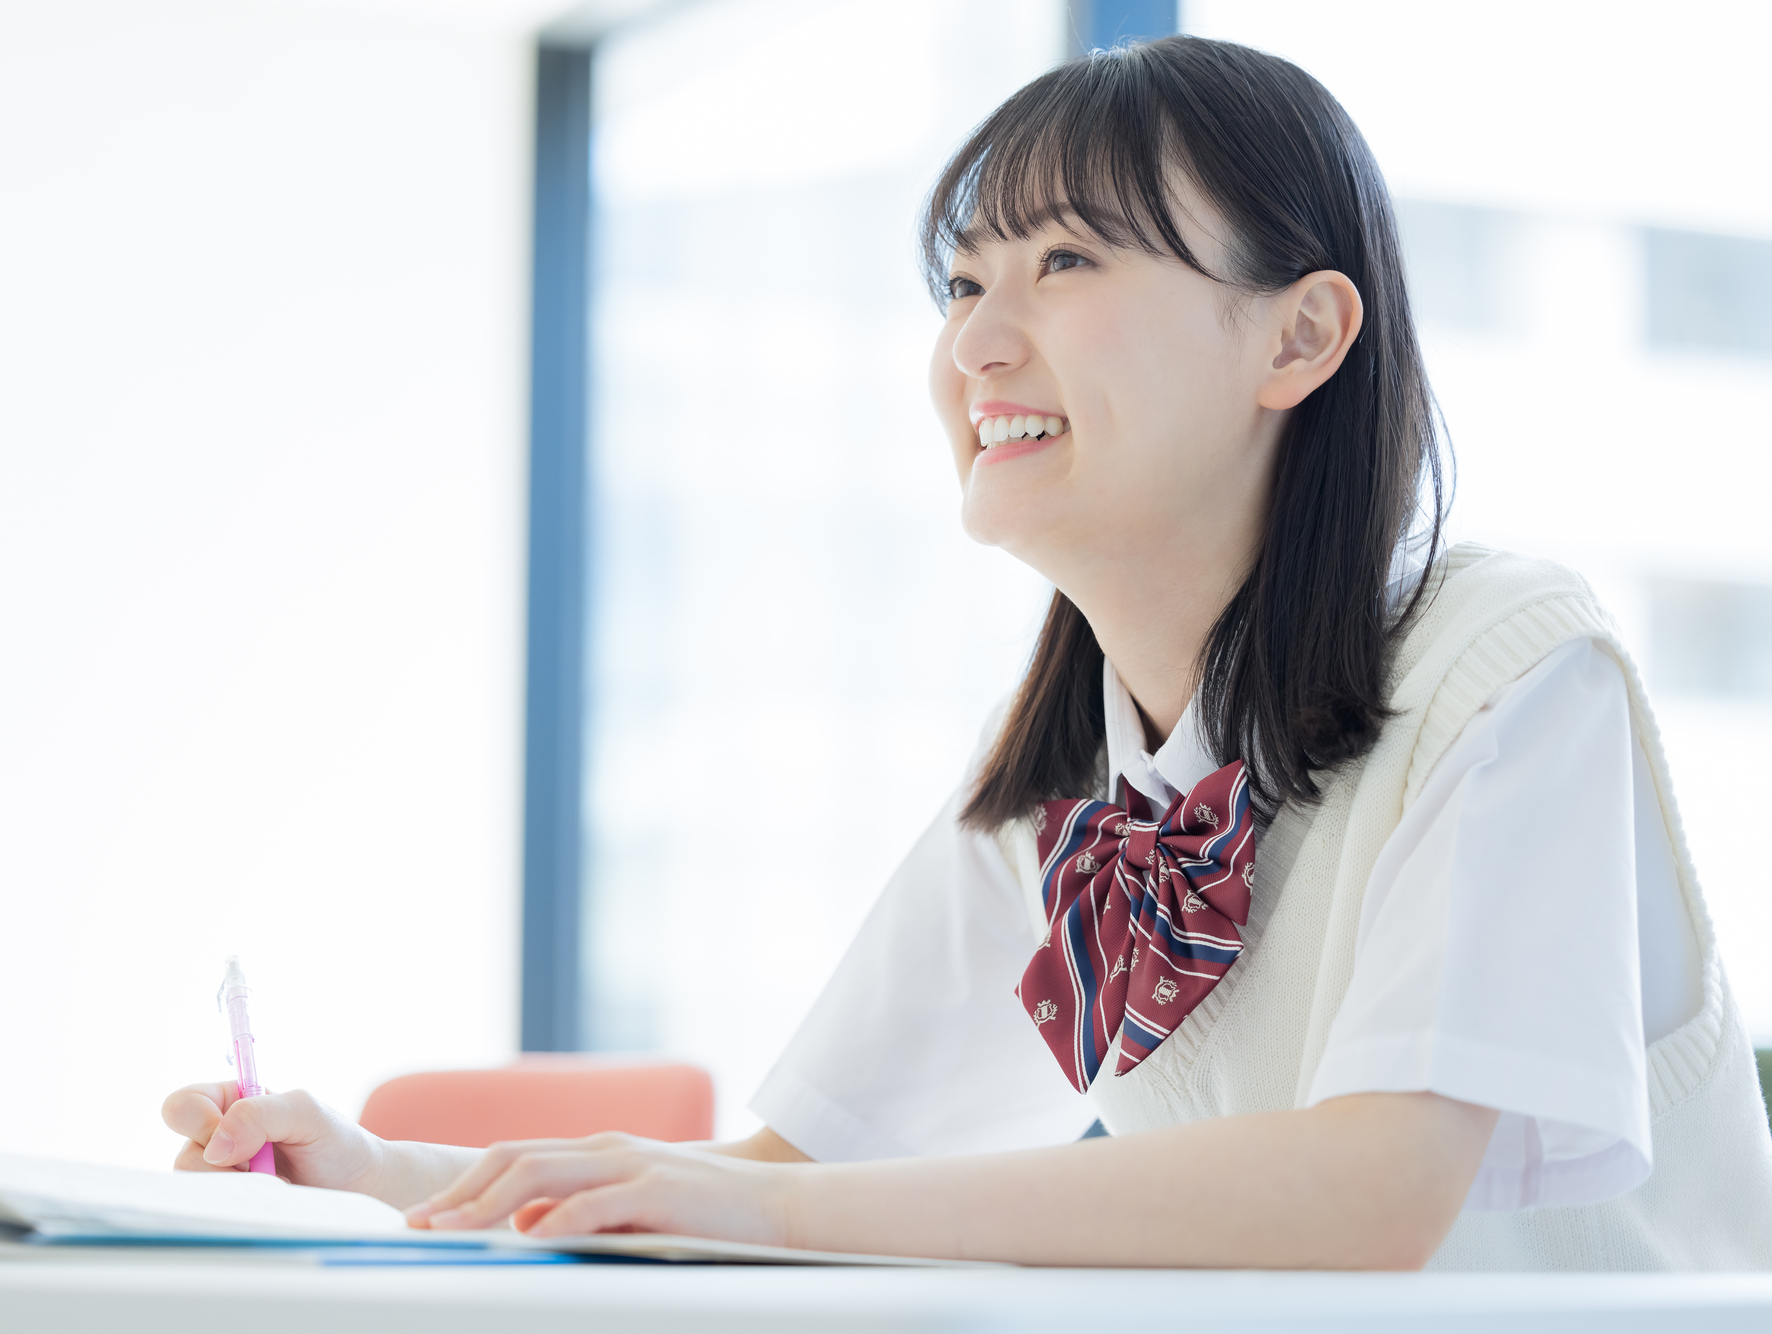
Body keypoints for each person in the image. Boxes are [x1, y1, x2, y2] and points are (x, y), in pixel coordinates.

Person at [161, 35, 1772, 1269]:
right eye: (965, 279)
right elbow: (784, 1174)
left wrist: (761, 1212)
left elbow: (1371, 1193)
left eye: (1069, 262)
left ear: (1301, 336)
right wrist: (378, 1169)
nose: (977, 342)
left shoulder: (1509, 668)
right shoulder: (1066, 779)